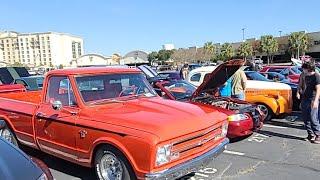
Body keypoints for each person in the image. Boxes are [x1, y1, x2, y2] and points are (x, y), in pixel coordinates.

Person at [297, 61, 320, 143]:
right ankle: (310, 135)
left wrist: (316, 101)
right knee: (306, 118)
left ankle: (318, 135)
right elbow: (301, 85)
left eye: (304, 68)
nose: (303, 70)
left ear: (309, 68)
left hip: (313, 99)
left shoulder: (316, 76)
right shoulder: (305, 76)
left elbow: (318, 90)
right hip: (305, 98)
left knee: (313, 118)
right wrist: (299, 93)